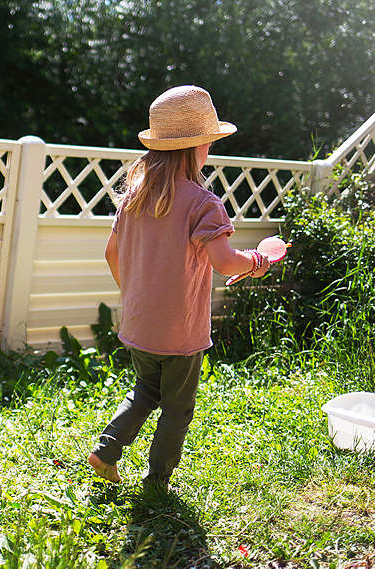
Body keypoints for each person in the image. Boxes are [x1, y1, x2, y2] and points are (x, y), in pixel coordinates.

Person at [87, 85, 269, 489]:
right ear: (196, 148)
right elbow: (224, 262)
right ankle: (157, 484)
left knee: (145, 392)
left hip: (139, 326)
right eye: (209, 143)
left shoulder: (133, 199)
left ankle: (105, 451)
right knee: (177, 408)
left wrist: (134, 294)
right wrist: (256, 261)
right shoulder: (203, 203)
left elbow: (111, 253)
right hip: (181, 334)